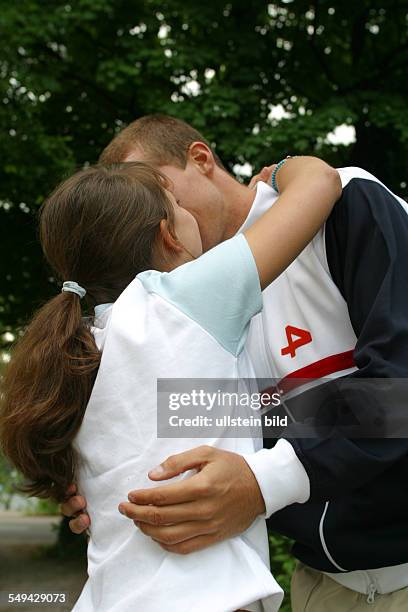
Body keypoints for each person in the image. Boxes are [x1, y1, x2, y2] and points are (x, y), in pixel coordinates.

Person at [62, 114, 408, 611]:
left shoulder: (347, 202)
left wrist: (263, 481)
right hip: (320, 586)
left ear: (200, 159)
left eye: (158, 190)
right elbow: (214, 426)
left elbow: (398, 390)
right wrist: (109, 482)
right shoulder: (180, 309)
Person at [0, 157, 341, 611]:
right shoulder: (183, 299)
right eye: (178, 205)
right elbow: (321, 181)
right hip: (208, 597)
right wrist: (278, 172)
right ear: (169, 235)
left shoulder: (76, 352)